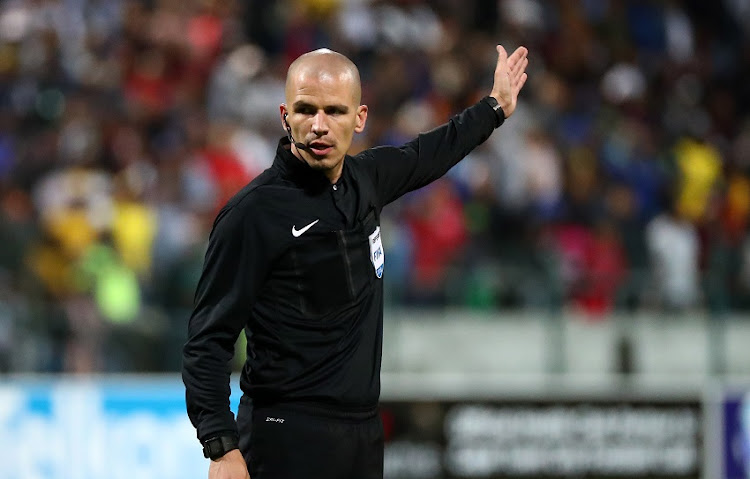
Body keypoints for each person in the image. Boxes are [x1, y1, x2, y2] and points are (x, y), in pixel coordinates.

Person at [182, 45, 529, 479]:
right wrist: (221, 447)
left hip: (361, 436)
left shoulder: (366, 180)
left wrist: (495, 106)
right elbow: (207, 340)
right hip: (285, 433)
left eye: (335, 111)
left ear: (360, 118)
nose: (319, 125)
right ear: (285, 115)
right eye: (306, 110)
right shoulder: (252, 215)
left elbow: (433, 151)